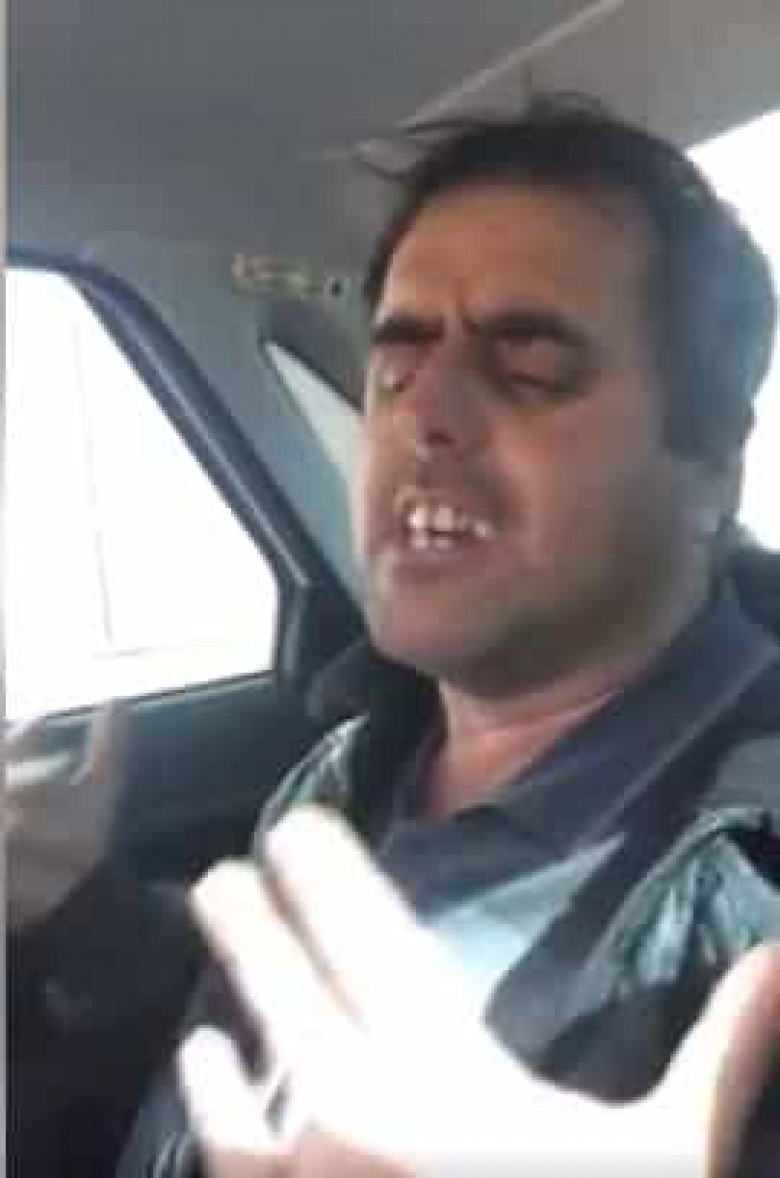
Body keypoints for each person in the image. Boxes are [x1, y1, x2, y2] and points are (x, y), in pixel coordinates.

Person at [115, 96, 780, 1175]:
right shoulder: (348, 765)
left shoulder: (757, 878)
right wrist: (74, 926)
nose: (424, 413)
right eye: (396, 367)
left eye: (531, 371)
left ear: (711, 468)